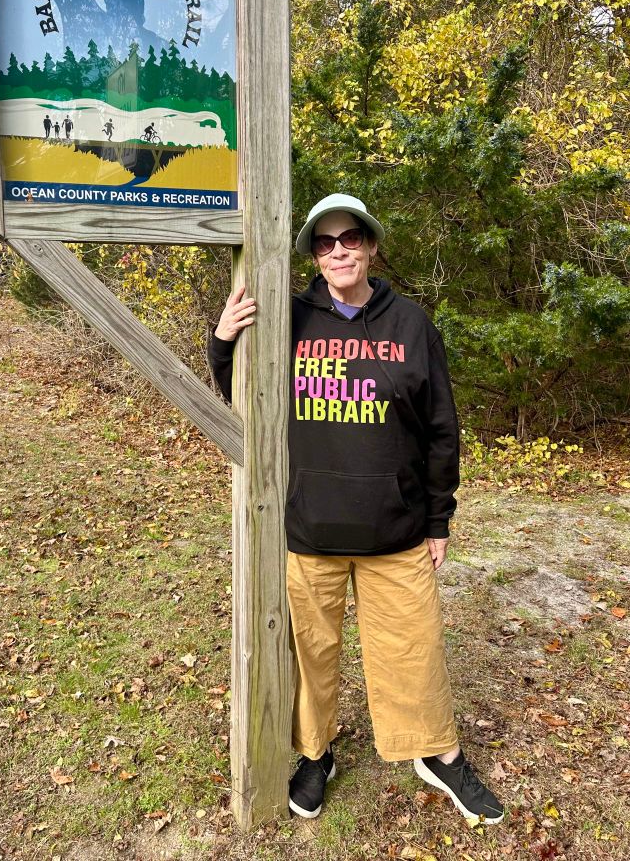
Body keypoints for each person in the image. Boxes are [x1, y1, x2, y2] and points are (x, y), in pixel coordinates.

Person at [207, 193, 504, 826]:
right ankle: (317, 754)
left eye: (350, 239)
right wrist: (225, 340)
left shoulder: (413, 325)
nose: (338, 250)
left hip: (394, 529)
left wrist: (437, 517)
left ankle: (438, 754)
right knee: (310, 654)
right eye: (324, 242)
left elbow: (441, 428)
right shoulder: (287, 319)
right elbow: (242, 397)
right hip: (309, 527)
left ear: (370, 246)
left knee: (413, 646)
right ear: (313, 255)